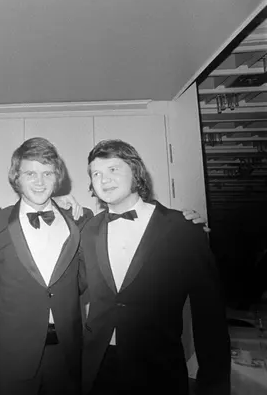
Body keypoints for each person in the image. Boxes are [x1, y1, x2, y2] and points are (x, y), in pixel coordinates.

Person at [80, 139, 230, 395]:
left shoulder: (182, 228)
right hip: (97, 368)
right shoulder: (88, 229)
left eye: (113, 169)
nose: (104, 180)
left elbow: (209, 315)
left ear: (135, 171)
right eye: (96, 174)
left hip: (158, 368)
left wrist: (213, 386)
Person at [0, 138, 93, 395]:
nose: (39, 181)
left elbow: (84, 277)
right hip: (13, 352)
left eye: (47, 173)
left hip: (66, 351)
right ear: (16, 177)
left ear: (57, 177)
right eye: (30, 173)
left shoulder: (79, 219)